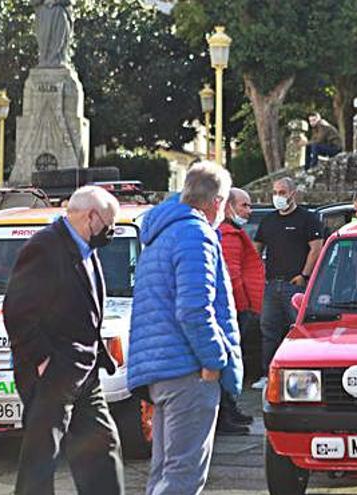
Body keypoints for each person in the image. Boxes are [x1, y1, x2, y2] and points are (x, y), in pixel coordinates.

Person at [128, 162, 242, 495]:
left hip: (160, 369)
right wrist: (214, 361)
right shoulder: (196, 233)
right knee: (183, 474)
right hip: (189, 369)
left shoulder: (161, 235)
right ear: (217, 202)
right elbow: (194, 309)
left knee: (164, 470)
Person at [3, 186, 124, 495]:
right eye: (109, 223)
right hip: (54, 373)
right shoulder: (45, 247)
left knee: (102, 446)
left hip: (85, 371)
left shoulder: (85, 248)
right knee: (41, 459)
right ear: (91, 216)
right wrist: (44, 361)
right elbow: (17, 312)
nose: (111, 231)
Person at [252, 177, 323, 389]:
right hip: (272, 284)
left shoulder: (307, 219)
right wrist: (259, 272)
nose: (278, 197)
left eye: (282, 192)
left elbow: (316, 248)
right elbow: (256, 248)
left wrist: (304, 275)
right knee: (268, 330)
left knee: (300, 331)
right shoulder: (268, 221)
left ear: (293, 193)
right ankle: (268, 374)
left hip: (296, 285)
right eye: (275, 192)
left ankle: (303, 375)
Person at [217, 187, 265, 435]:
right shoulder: (229, 235)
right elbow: (233, 276)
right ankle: (226, 413)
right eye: (244, 205)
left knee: (233, 363)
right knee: (228, 362)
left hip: (239, 307)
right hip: (237, 308)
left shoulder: (231, 233)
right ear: (229, 206)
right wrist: (244, 305)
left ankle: (230, 409)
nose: (249, 210)